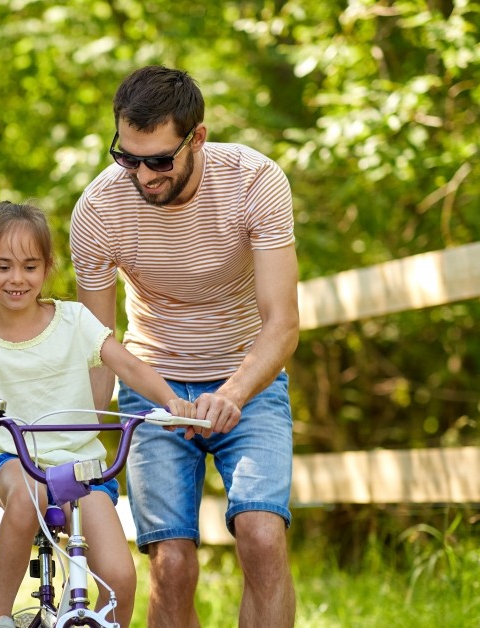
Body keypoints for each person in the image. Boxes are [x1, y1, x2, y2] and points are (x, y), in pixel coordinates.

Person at [71, 65, 299, 627]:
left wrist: (234, 393)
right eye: (127, 157)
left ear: (197, 138)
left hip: (248, 382)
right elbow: (98, 346)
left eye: (159, 160)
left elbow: (283, 324)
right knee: (171, 564)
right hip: (153, 391)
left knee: (262, 536)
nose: (141, 175)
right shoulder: (98, 210)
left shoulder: (254, 181)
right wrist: (81, 441)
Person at [0, 200, 196, 628]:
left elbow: (128, 364)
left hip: (82, 466)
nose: (16, 279)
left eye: (29, 266)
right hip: (15, 461)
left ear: (47, 268)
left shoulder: (75, 320)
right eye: (3, 267)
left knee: (119, 578)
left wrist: (173, 402)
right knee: (28, 496)